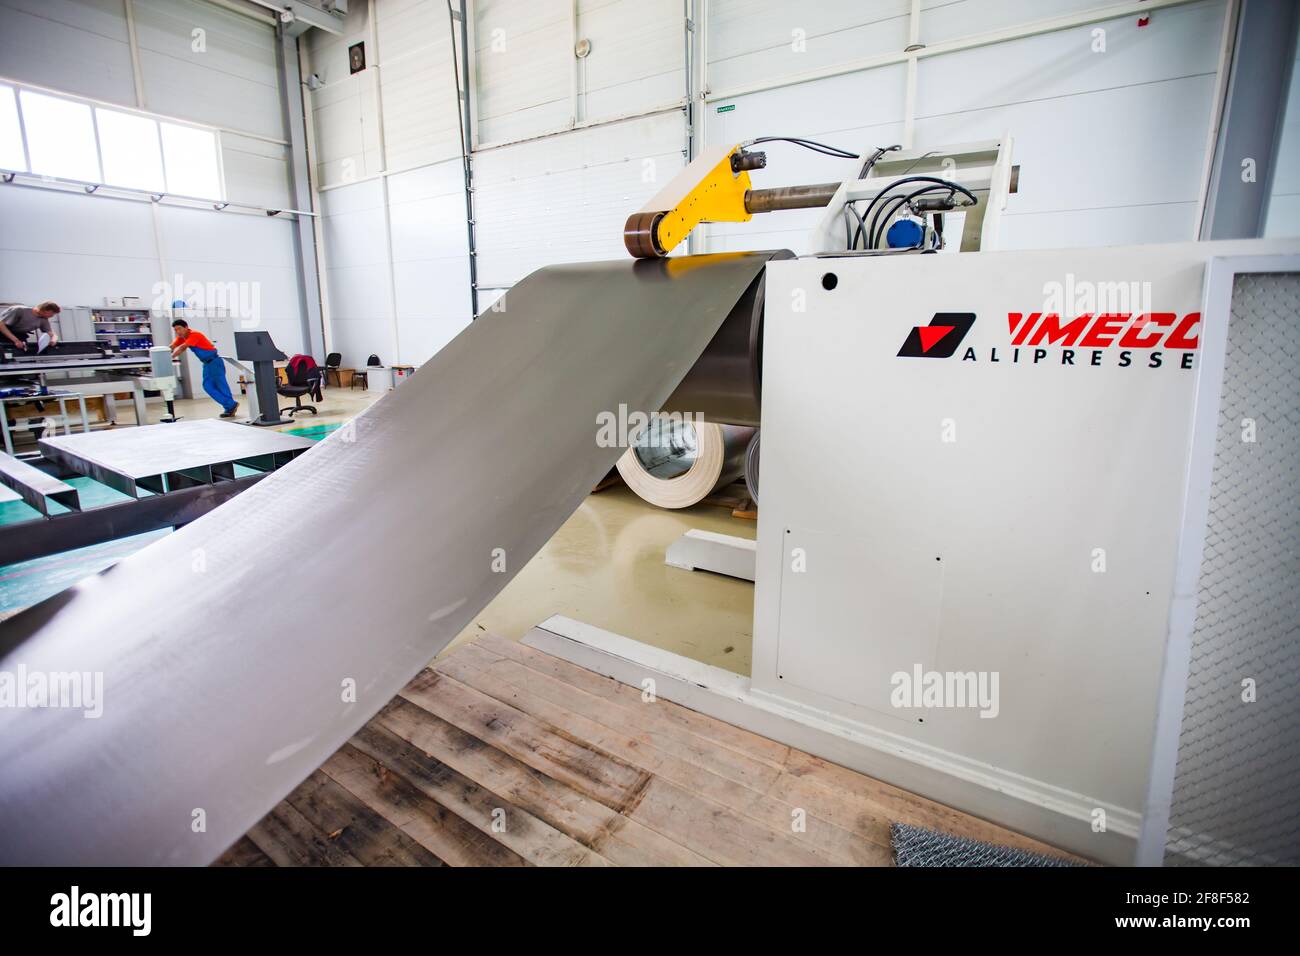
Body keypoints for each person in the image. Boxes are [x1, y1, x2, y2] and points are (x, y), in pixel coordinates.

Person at [171, 319, 239, 419]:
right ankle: (230, 405)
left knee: (220, 385)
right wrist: (161, 353)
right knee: (208, 386)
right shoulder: (182, 337)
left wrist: (170, 357)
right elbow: (173, 345)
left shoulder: (195, 335)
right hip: (207, 364)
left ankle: (230, 406)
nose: (178, 332)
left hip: (214, 362)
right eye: (176, 330)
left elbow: (182, 348)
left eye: (179, 329)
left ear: (186, 327)